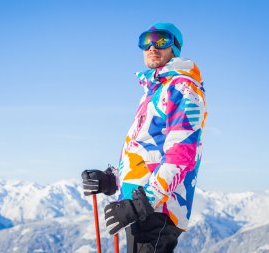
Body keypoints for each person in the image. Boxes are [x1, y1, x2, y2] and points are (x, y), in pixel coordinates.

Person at [82, 22, 207, 253]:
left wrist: (141, 203)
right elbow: (144, 154)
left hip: (157, 211)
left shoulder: (181, 88)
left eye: (161, 40)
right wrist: (112, 181)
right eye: (145, 41)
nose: (152, 46)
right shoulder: (155, 92)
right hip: (141, 207)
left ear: (175, 48)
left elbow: (181, 156)